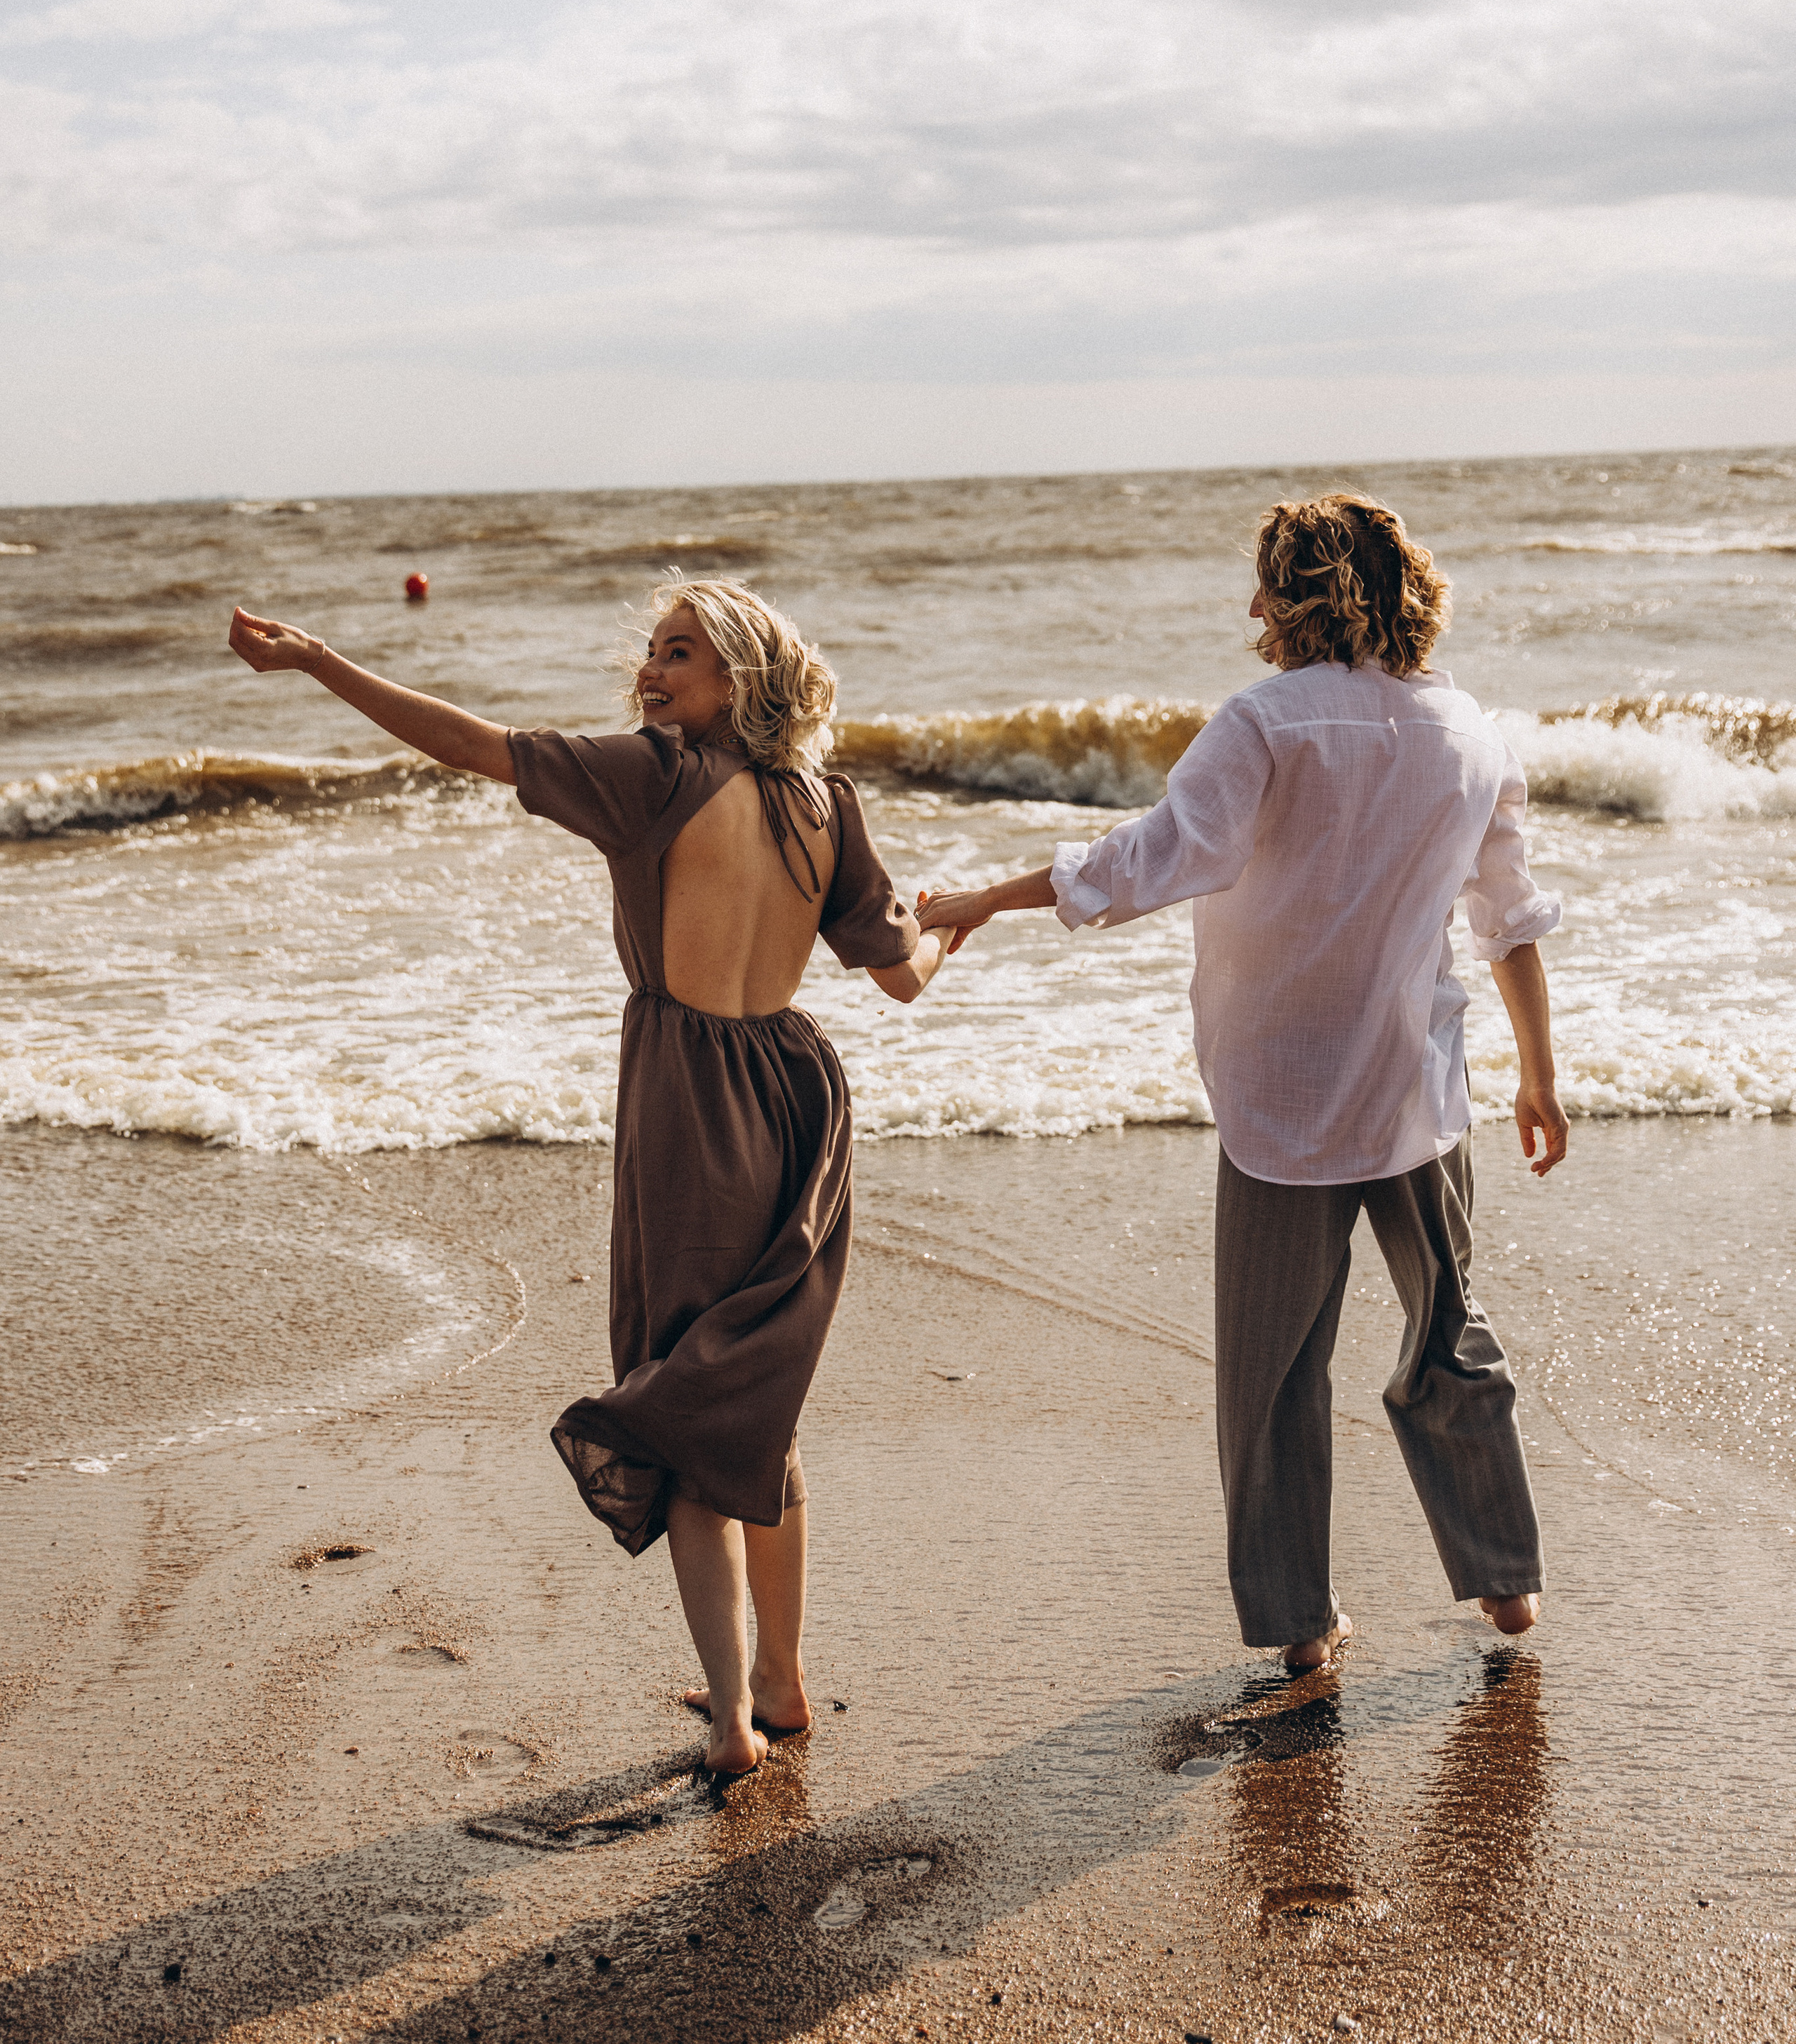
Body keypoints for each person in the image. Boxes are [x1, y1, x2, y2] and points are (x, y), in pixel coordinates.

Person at [228, 574, 954, 1773]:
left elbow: (472, 745)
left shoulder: (657, 778)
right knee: (753, 1402)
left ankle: (733, 1723)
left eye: (680, 653)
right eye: (651, 652)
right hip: (797, 1096)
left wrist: (319, 663)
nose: (651, 672)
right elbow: (903, 975)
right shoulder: (826, 801)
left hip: (689, 1101)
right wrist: (949, 928)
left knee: (682, 1398)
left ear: (739, 676)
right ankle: (780, 1683)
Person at [917, 494, 1566, 1673]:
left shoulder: (1265, 722)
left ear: (1304, 592)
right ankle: (1507, 1581)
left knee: (1272, 1373)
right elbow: (1508, 920)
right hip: (1414, 1086)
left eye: (1265, 583)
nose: (1251, 608)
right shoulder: (1471, 732)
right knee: (1447, 1327)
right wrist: (1541, 1076)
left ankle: (1300, 1625)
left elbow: (1151, 858)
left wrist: (984, 900)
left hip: (1282, 1093)